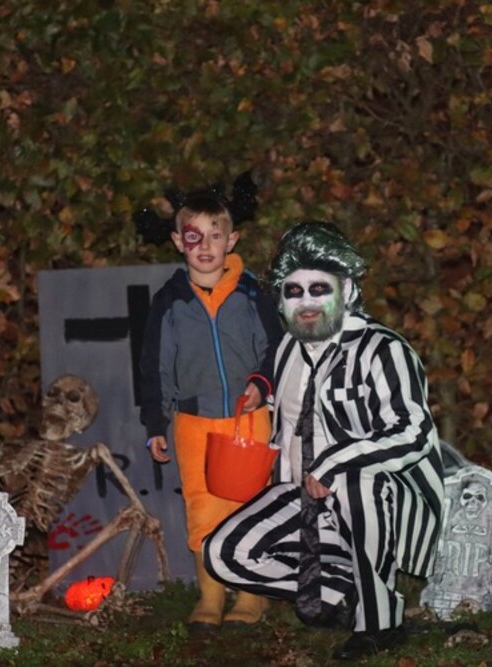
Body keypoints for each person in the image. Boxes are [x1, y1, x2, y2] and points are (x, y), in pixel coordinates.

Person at [203, 222, 446, 660]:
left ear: (347, 290)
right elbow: (290, 420)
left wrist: (333, 462)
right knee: (221, 553)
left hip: (384, 498)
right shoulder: (287, 351)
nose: (307, 302)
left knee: (355, 481)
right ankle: (339, 591)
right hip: (305, 497)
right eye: (293, 292)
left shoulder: (382, 349)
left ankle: (380, 622)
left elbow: (414, 432)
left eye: (319, 289)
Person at [139, 185, 283, 631]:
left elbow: (276, 348)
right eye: (194, 236)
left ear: (231, 240)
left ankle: (252, 595)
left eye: (215, 236)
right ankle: (211, 595)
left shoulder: (252, 293)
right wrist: (155, 421)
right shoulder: (169, 302)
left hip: (248, 417)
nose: (205, 246)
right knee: (203, 507)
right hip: (194, 421)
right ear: (178, 242)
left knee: (251, 503)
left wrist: (262, 384)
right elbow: (154, 366)